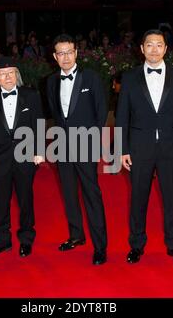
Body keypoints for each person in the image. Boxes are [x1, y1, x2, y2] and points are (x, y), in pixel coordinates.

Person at [116, 29, 173, 265]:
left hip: (172, 147)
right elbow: (122, 116)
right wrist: (123, 149)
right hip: (139, 147)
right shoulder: (129, 77)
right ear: (141, 49)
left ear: (165, 48)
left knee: (172, 198)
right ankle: (137, 245)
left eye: (158, 45)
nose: (154, 49)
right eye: (149, 45)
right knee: (138, 198)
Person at [46, 34, 108, 265]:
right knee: (69, 194)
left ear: (76, 52)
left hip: (86, 144)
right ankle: (76, 236)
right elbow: (56, 114)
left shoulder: (91, 77)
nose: (65, 57)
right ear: (54, 56)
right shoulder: (51, 82)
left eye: (69, 52)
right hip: (62, 145)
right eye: (60, 53)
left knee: (91, 194)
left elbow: (100, 112)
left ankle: (100, 246)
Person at [0, 57, 44, 258]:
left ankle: (26, 239)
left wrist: (39, 151)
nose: (7, 77)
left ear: (16, 75)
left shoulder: (31, 95)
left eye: (11, 73)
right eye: (3, 74)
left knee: (26, 198)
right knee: (1, 200)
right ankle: (2, 240)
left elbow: (39, 123)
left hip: (25, 155)